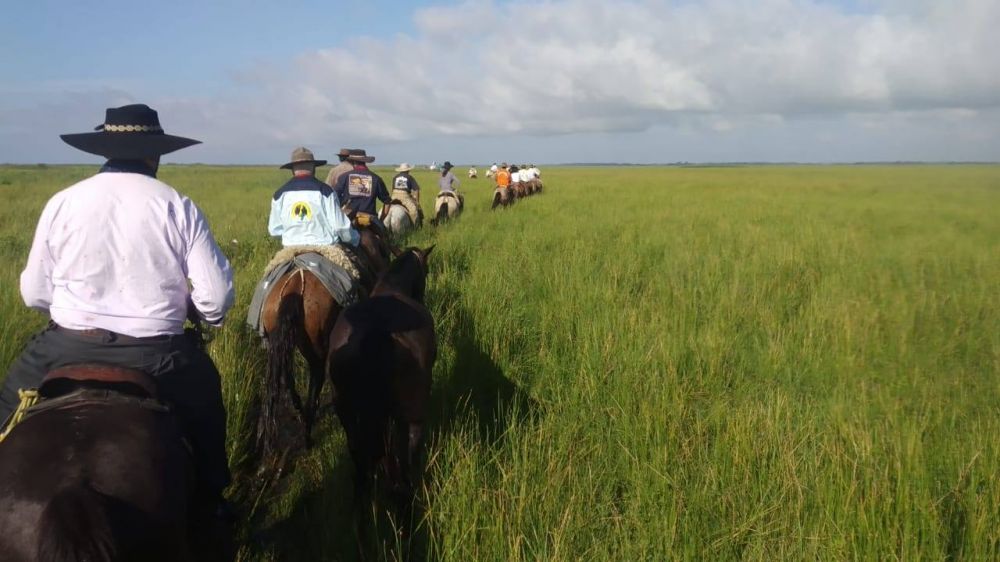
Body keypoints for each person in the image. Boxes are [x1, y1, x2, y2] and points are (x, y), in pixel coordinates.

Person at [0, 103, 235, 517]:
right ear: (156, 153)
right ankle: (212, 503)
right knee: (206, 406)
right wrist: (193, 311)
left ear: (103, 149)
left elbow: (34, 292)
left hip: (65, 346)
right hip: (160, 355)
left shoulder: (63, 201)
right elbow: (216, 300)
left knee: (6, 405)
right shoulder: (177, 204)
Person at [270, 146, 359, 247]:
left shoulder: (279, 194)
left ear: (292, 169)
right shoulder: (327, 192)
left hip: (290, 248)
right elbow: (340, 226)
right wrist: (355, 239)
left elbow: (275, 230)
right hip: (324, 247)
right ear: (313, 167)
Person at [334, 149, 391, 221]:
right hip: (369, 219)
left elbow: (334, 196)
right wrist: (381, 220)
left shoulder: (344, 177)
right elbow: (387, 202)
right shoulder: (376, 178)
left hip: (348, 217)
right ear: (365, 161)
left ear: (352, 161)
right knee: (383, 232)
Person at [390, 162, 423, 226]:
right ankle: (415, 227)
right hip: (404, 196)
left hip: (394, 196)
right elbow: (416, 190)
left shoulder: (395, 177)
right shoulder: (409, 177)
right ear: (408, 170)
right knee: (414, 212)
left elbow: (392, 189)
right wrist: (417, 202)